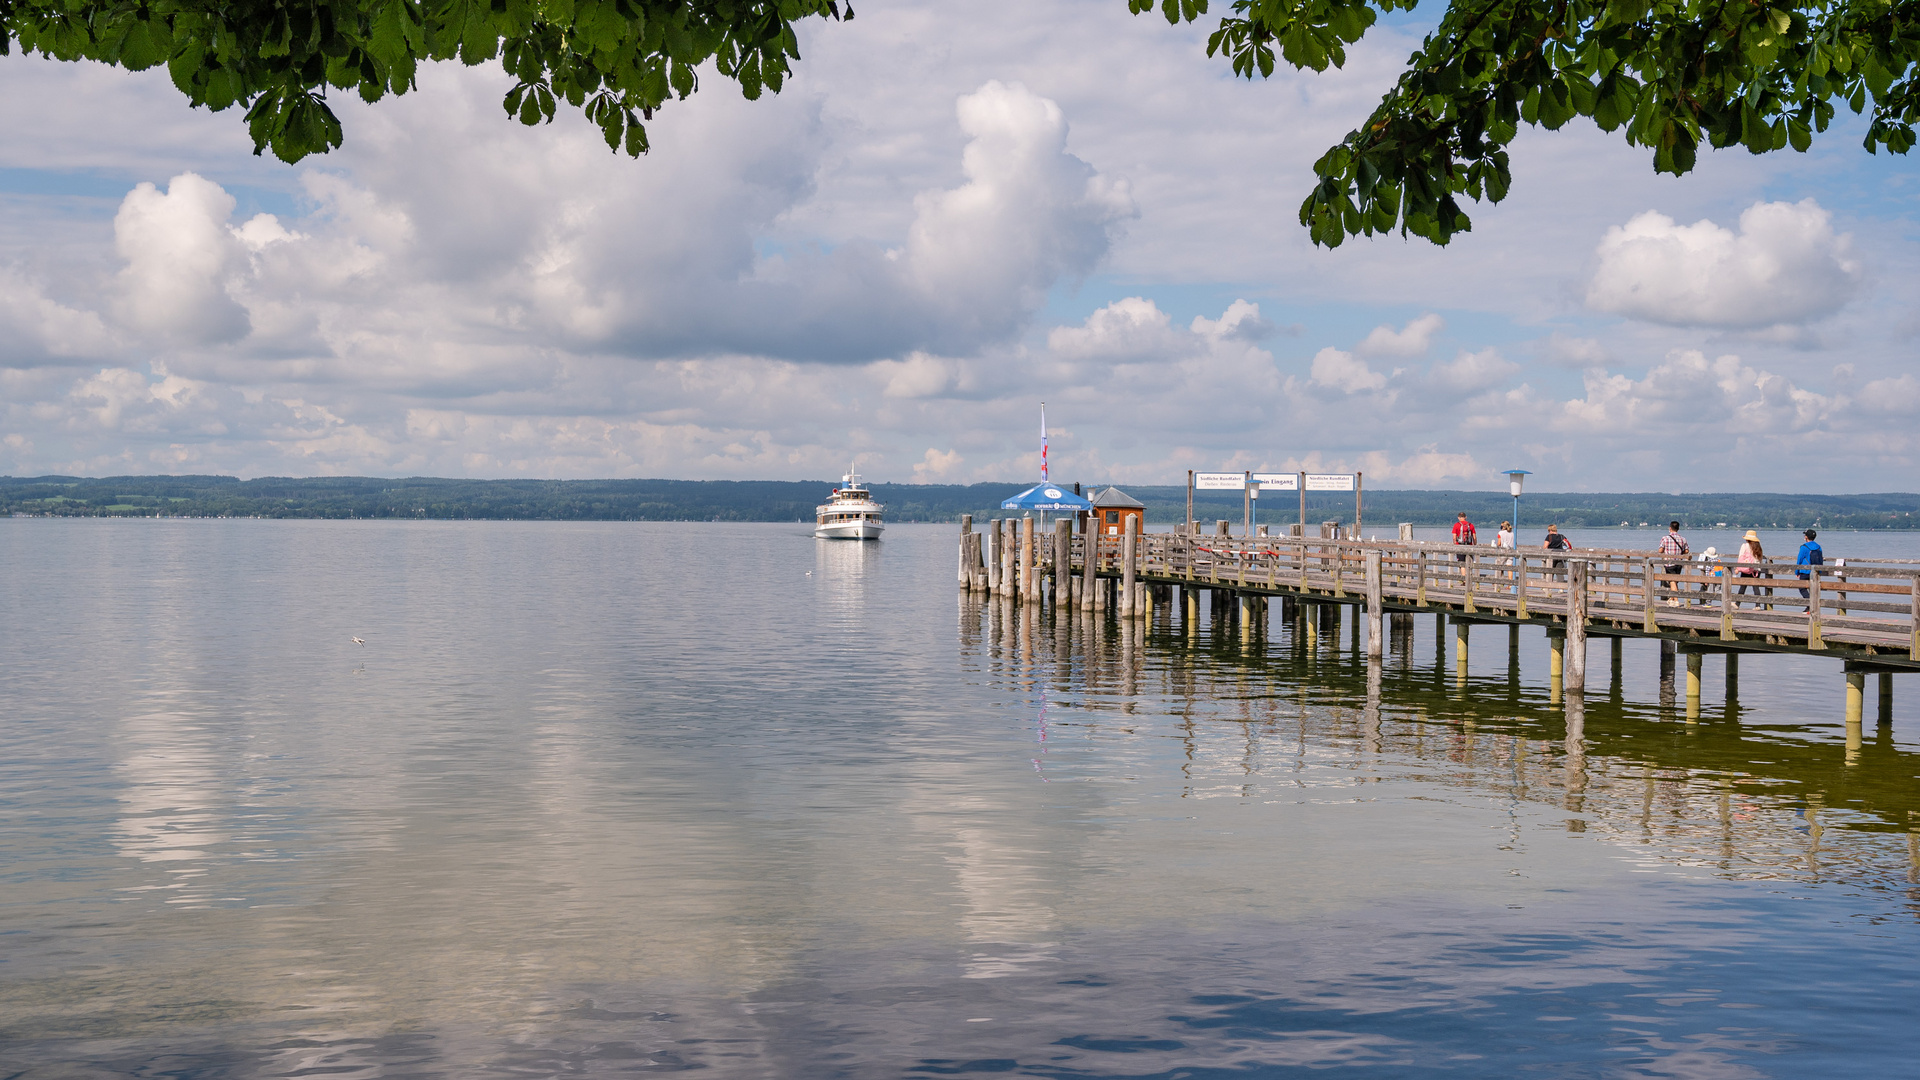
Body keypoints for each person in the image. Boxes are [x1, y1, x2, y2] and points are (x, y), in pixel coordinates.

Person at [1735, 530, 1770, 607]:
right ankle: (1758, 605)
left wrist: (1737, 568)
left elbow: (1740, 558)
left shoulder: (1744, 546)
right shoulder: (1758, 547)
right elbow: (1759, 560)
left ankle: (1737, 603)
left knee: (1743, 586)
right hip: (1756, 570)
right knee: (1755, 587)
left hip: (1746, 569)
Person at [1657, 520, 1689, 605]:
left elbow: (1660, 550)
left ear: (1670, 528)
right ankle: (1672, 598)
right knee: (1674, 581)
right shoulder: (1683, 539)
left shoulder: (1665, 538)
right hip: (1679, 563)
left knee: (1672, 581)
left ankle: (1676, 600)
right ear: (1678, 529)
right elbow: (1686, 551)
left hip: (1669, 563)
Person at [1796, 528, 1823, 607]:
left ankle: (1809, 605)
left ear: (1806, 537)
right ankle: (1812, 606)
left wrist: (1797, 571)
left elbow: (1799, 560)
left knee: (1801, 588)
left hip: (1804, 571)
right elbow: (1820, 559)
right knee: (1813, 589)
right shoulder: (1818, 547)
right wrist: (1820, 571)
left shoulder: (1804, 547)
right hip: (1815, 571)